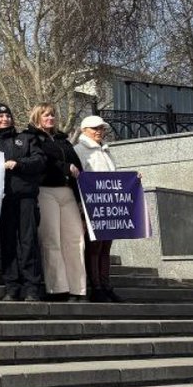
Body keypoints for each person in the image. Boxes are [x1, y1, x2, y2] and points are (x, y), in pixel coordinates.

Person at [0, 102, 46, 301]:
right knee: (7, 243)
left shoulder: (26, 139)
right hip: (1, 201)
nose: (4, 119)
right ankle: (11, 286)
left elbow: (40, 161)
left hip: (25, 198)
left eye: (7, 115)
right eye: (0, 116)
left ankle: (32, 286)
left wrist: (19, 164)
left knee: (28, 242)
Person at [30, 103, 87, 301]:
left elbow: (78, 167)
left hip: (68, 192)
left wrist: (81, 199)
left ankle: (78, 288)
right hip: (46, 191)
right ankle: (58, 287)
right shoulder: (33, 138)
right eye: (46, 115)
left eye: (52, 115)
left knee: (75, 240)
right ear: (37, 117)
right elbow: (41, 162)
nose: (50, 118)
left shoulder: (64, 140)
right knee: (51, 240)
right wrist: (64, 167)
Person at [73, 115, 122, 302]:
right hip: (91, 204)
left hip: (108, 205)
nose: (99, 131)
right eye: (95, 128)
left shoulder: (106, 150)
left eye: (102, 128)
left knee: (105, 246)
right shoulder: (79, 150)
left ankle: (106, 284)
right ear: (84, 130)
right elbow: (78, 179)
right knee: (94, 247)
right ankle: (97, 286)